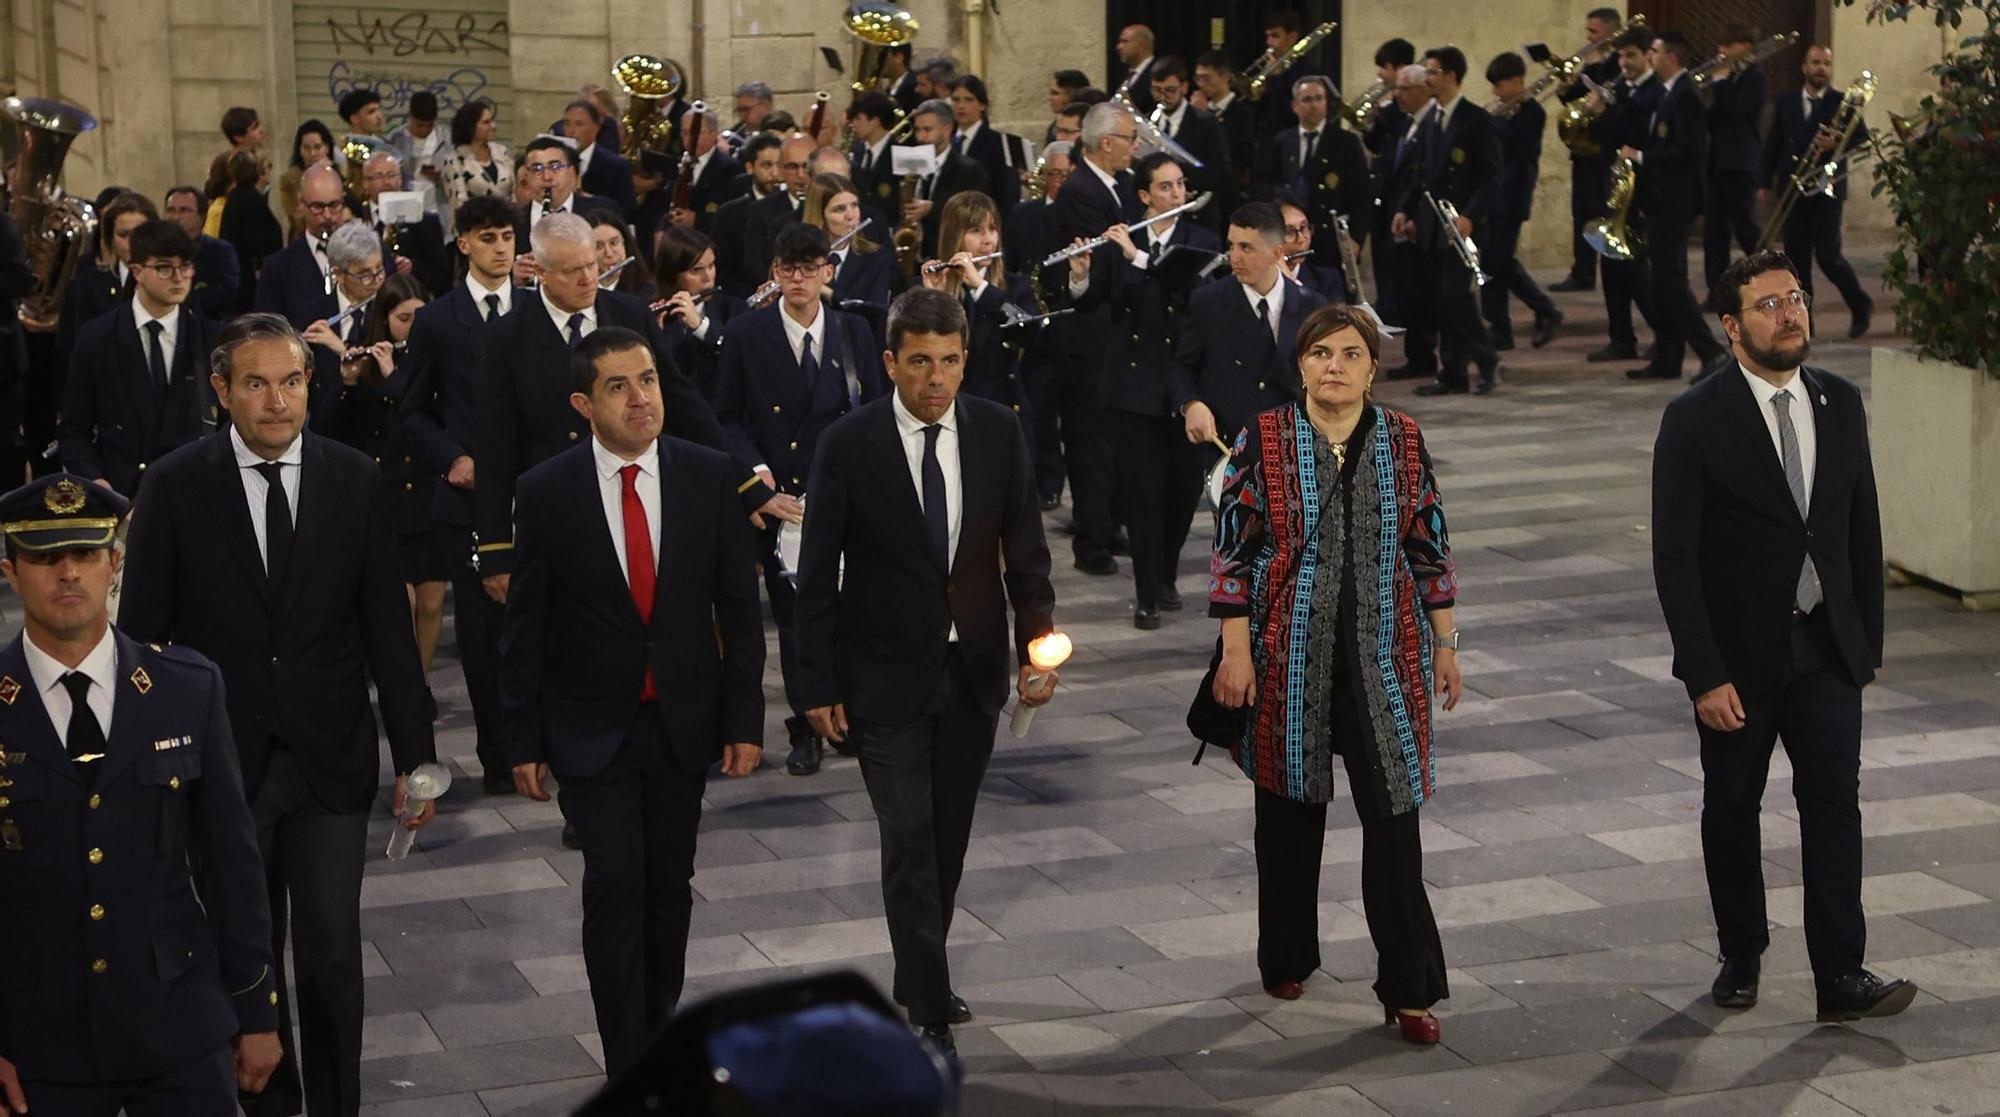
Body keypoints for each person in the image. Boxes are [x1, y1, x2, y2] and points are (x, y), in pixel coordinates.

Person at [119, 313, 438, 1117]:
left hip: (330, 754)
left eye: (292, 381)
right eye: (255, 383)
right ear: (221, 391)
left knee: (331, 953)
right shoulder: (175, 482)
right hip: (219, 763)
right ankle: (270, 1106)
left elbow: (387, 632)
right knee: (242, 952)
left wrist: (417, 755)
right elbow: (145, 637)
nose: (277, 400)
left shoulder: (352, 477)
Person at [1650, 249, 1912, 1024]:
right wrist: (1704, 672)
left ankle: (1841, 972)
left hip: (1828, 647)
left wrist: (1864, 642)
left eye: (1796, 298)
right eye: (1769, 305)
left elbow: (1859, 527)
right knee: (1733, 802)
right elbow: (1675, 556)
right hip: (1739, 658)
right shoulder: (1695, 418)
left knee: (1835, 803)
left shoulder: (1839, 400)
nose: (1791, 313)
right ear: (1732, 327)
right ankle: (1741, 948)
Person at [794, 287, 1057, 1056]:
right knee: (907, 833)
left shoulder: (998, 432)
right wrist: (814, 685)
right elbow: (817, 577)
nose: (935, 378)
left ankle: (919, 972)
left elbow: (1026, 555)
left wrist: (1037, 645)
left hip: (971, 667)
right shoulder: (847, 444)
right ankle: (930, 1007)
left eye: (948, 362)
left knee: (947, 835)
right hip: (881, 674)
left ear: (965, 359)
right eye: (919, 362)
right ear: (890, 361)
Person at [500, 324, 763, 1076]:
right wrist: (521, 737)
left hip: (682, 723)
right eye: (618, 386)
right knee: (614, 883)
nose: (640, 397)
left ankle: (659, 1032)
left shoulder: (709, 476)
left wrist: (744, 717)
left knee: (667, 889)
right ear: (584, 402)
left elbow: (738, 613)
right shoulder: (545, 491)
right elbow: (526, 627)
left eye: (646, 379)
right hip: (590, 727)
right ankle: (628, 1060)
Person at [1209, 302, 1460, 1045]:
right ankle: (1286, 953)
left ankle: (1409, 988)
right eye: (1322, 354)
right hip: (1287, 655)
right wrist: (1234, 649)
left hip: (1388, 658)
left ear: (1372, 367)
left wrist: (1447, 640)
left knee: (1395, 826)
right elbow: (1233, 552)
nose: (1336, 367)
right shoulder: (1264, 437)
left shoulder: (1404, 438)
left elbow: (1430, 542)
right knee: (1286, 816)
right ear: (1302, 364)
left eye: (1352, 354)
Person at [0, 474, 284, 1114]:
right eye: (45, 558)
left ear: (115, 565)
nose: (68, 573)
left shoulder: (187, 687)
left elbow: (231, 862)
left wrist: (257, 1010)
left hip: (178, 1024)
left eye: (87, 554)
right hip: (39, 1045)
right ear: (11, 574)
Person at [474, 212, 776, 606]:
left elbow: (685, 406)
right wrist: (496, 549)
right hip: (560, 507)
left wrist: (746, 484)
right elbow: (496, 446)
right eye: (571, 271)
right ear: (541, 272)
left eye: (592, 266)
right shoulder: (506, 336)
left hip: (638, 495)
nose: (587, 279)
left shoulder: (631, 313)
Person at [714, 224, 881, 775]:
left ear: (828, 271)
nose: (799, 279)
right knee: (794, 618)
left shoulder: (855, 330)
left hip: (846, 495)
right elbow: (726, 418)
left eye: (810, 268)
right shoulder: (745, 334)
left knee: (854, 608)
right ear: (774, 273)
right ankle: (806, 725)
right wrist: (758, 481)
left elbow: (875, 411)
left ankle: (849, 712)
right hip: (783, 500)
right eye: (789, 268)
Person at [399, 195, 524, 793]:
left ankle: (542, 745)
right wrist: (453, 457)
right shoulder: (438, 320)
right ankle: (499, 757)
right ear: (464, 244)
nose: (502, 246)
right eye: (490, 236)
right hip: (469, 502)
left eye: (508, 235)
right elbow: (414, 411)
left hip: (536, 493)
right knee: (480, 634)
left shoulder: (537, 308)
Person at [1087, 152, 1220, 630]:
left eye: (1180, 185)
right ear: (1144, 195)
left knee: (1184, 489)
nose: (1177, 195)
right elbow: (1093, 299)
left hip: (1184, 385)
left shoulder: (1199, 242)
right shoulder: (1120, 240)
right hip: (1133, 386)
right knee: (1143, 494)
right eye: (1165, 187)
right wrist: (1082, 270)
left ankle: (1165, 572)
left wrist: (1137, 258)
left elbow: (1180, 294)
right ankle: (1145, 593)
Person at [307, 274, 450, 676]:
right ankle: (400, 680)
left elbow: (429, 417)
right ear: (385, 322)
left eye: (420, 316)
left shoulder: (436, 361)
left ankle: (419, 682)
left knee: (432, 602)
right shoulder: (370, 363)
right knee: (399, 603)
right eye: (404, 318)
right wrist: (348, 383)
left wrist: (395, 376)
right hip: (386, 499)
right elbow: (330, 431)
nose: (414, 326)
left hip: (428, 495)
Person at [59, 218, 220, 496]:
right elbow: (74, 431)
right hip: (121, 498)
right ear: (136, 271)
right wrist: (96, 482)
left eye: (186, 267)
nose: (179, 277)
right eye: (164, 268)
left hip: (195, 496)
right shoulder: (97, 339)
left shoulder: (211, 338)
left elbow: (231, 425)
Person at [1045, 100, 1137, 577]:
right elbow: (1100, 268)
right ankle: (1090, 540)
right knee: (1089, 443)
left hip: (1111, 335)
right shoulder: (1081, 191)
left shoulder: (1115, 186)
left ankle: (1108, 524)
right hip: (1087, 341)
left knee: (1112, 441)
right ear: (1106, 144)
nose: (1135, 147)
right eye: (1129, 139)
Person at [1171, 201, 1326, 454]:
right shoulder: (1208, 303)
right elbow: (1182, 366)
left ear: (1277, 253)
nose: (1235, 257)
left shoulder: (1313, 307)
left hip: (1299, 449)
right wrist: (1191, 404)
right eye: (1231, 246)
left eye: (1246, 248)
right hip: (1232, 450)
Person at [1394, 46, 1503, 397]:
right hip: (1434, 224)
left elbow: (1491, 178)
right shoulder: (1432, 120)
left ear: (1451, 76)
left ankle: (1486, 361)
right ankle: (1453, 370)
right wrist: (1406, 211)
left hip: (1462, 225)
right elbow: (1422, 174)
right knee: (1442, 300)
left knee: (1456, 295)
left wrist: (1471, 215)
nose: (1427, 78)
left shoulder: (1476, 120)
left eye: (1433, 72)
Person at [1622, 33, 1731, 382]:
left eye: (1655, 51)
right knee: (1663, 281)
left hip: (1677, 201)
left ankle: (1712, 351)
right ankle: (1668, 358)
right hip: (1661, 199)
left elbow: (1689, 151)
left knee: (1670, 281)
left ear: (1671, 56)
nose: (1650, 57)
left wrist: (1640, 156)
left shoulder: (1686, 96)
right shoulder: (1668, 92)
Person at [1761, 44, 1874, 339]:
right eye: (1816, 62)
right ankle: (1803, 321)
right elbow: (1774, 142)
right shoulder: (1786, 101)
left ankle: (1860, 304)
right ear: (1804, 67)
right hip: (1793, 186)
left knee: (1828, 255)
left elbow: (1862, 139)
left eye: (1826, 63)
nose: (1821, 68)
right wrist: (1762, 181)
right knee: (1796, 261)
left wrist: (1836, 144)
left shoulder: (1842, 102)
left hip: (1827, 188)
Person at [1583, 31, 1662, 365]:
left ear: (1647, 55)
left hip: (1643, 192)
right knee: (1611, 266)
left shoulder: (1655, 92)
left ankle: (1664, 333)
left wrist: (1605, 112)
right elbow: (1603, 139)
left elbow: (1634, 133)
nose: (1624, 63)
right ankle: (1621, 338)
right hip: (1614, 188)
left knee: (1637, 271)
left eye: (1630, 56)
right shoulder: (1623, 91)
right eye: (1620, 57)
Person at [1480, 51, 1563, 350]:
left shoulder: (1531, 113)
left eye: (1499, 85)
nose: (1495, 92)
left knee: (1499, 260)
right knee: (1489, 262)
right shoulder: (1500, 111)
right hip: (1491, 197)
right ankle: (1499, 327)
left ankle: (1545, 309)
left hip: (1512, 196)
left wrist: (1498, 123)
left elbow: (1519, 156)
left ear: (1516, 81)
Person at [1253, 76, 1371, 272]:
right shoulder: (1281, 142)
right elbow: (1265, 186)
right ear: (1294, 105)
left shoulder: (1346, 142)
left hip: (1331, 239)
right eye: (1307, 100)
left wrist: (1356, 238)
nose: (1314, 105)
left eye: (1319, 99)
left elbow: (1362, 195)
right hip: (1288, 237)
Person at [1552, 7, 1626, 293]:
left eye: (1593, 31)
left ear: (1609, 32)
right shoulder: (1595, 62)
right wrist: (1566, 82)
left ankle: (1609, 269)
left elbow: (1607, 96)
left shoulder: (1617, 62)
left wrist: (1592, 67)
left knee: (1600, 211)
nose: (1588, 37)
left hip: (1605, 152)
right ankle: (1582, 272)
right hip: (1583, 147)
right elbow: (1577, 102)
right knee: (1580, 212)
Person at [1702, 25, 1768, 298]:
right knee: (1715, 231)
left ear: (1745, 46)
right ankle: (1717, 290)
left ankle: (1769, 274)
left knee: (1745, 228)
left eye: (1727, 46)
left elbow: (1739, 113)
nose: (1721, 52)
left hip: (1741, 161)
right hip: (1717, 160)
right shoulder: (1728, 78)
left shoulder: (1756, 78)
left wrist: (1719, 83)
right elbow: (1714, 119)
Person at [652, 226, 744, 402]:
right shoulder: (651, 311)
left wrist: (701, 327)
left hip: (720, 413)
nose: (708, 276)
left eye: (711, 266)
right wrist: (654, 336)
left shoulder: (735, 310)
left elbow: (737, 359)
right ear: (673, 274)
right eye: (697, 270)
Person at [1147, 57, 1238, 232]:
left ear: (1184, 88)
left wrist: (1180, 180)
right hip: (1158, 220)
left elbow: (1222, 175)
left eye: (1170, 90)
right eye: (1156, 90)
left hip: (1197, 219)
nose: (1162, 96)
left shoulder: (1206, 123)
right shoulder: (1149, 120)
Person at [256, 164, 347, 329]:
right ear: (301, 205)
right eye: (317, 207)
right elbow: (267, 333)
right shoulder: (278, 268)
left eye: (334, 205)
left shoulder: (370, 256)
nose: (327, 215)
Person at [806, 172, 901, 314]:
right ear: (819, 215)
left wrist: (828, 293)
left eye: (855, 205)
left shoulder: (877, 258)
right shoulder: (798, 261)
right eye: (839, 209)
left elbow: (876, 313)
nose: (851, 216)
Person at [360, 150, 450, 295]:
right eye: (379, 176)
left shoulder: (425, 222)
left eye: (391, 175)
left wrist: (413, 267)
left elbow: (442, 275)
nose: (386, 182)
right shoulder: (354, 218)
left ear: (400, 180)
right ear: (365, 183)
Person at [910, 99, 990, 258]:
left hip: (950, 256)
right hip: (916, 257)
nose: (920, 137)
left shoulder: (969, 170)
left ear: (947, 129)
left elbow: (974, 215)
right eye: (917, 130)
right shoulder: (912, 164)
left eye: (927, 130)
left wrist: (932, 210)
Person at [711, 134, 786, 296]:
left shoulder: (795, 209)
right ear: (750, 168)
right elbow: (722, 272)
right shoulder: (728, 215)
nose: (775, 173)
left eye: (779, 165)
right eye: (767, 166)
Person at [947, 76, 1027, 214]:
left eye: (969, 100)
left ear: (982, 105)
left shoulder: (998, 143)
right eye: (956, 100)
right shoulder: (946, 140)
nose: (961, 106)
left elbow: (1007, 193)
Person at [217, 149, 285, 311]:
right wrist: (260, 269)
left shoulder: (234, 197)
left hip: (237, 274)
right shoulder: (252, 200)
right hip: (250, 281)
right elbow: (256, 240)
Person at [164, 184, 242, 317]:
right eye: (171, 210)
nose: (176, 217)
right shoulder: (155, 252)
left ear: (202, 217)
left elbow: (226, 293)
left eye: (184, 210)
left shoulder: (220, 251)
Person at [439, 99, 516, 217]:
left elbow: (514, 192)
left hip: (506, 224)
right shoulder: (454, 160)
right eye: (486, 122)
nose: (493, 126)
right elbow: (459, 204)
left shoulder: (502, 152)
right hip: (474, 226)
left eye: (493, 121)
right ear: (470, 127)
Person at [1254, 10, 1324, 137]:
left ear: (1292, 37)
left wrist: (1277, 78)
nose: (1269, 42)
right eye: (1267, 36)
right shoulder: (1266, 68)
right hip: (1266, 141)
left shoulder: (1308, 71)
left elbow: (1293, 114)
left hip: (1293, 140)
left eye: (1275, 36)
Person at [1193, 52, 1254, 189]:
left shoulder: (1243, 112)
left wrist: (1205, 116)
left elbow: (1230, 149)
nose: (1201, 85)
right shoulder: (1197, 110)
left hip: (1229, 185)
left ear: (1225, 76)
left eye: (1207, 78)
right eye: (1198, 78)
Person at [566, 98, 637, 216]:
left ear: (596, 128)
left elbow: (627, 209)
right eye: (567, 124)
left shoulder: (615, 165)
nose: (571, 131)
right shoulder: (558, 162)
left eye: (579, 124)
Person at [387, 90, 447, 220]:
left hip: (438, 207)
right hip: (405, 204)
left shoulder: (446, 140)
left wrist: (441, 177)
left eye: (429, 125)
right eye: (419, 125)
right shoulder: (395, 139)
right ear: (411, 117)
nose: (424, 130)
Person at [279, 120, 337, 242]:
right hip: (303, 239)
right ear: (299, 150)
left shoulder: (338, 175)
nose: (312, 153)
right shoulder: (289, 180)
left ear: (327, 148)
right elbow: (297, 218)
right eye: (306, 148)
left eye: (317, 147)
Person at [587, 207, 656, 300]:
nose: (609, 253)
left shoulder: (649, 294)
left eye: (614, 243)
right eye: (598, 247)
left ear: (626, 244)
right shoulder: (579, 296)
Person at [1112, 23, 1158, 115]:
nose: (1119, 47)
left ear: (1142, 45)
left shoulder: (1157, 74)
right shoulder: (1125, 76)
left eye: (1125, 42)